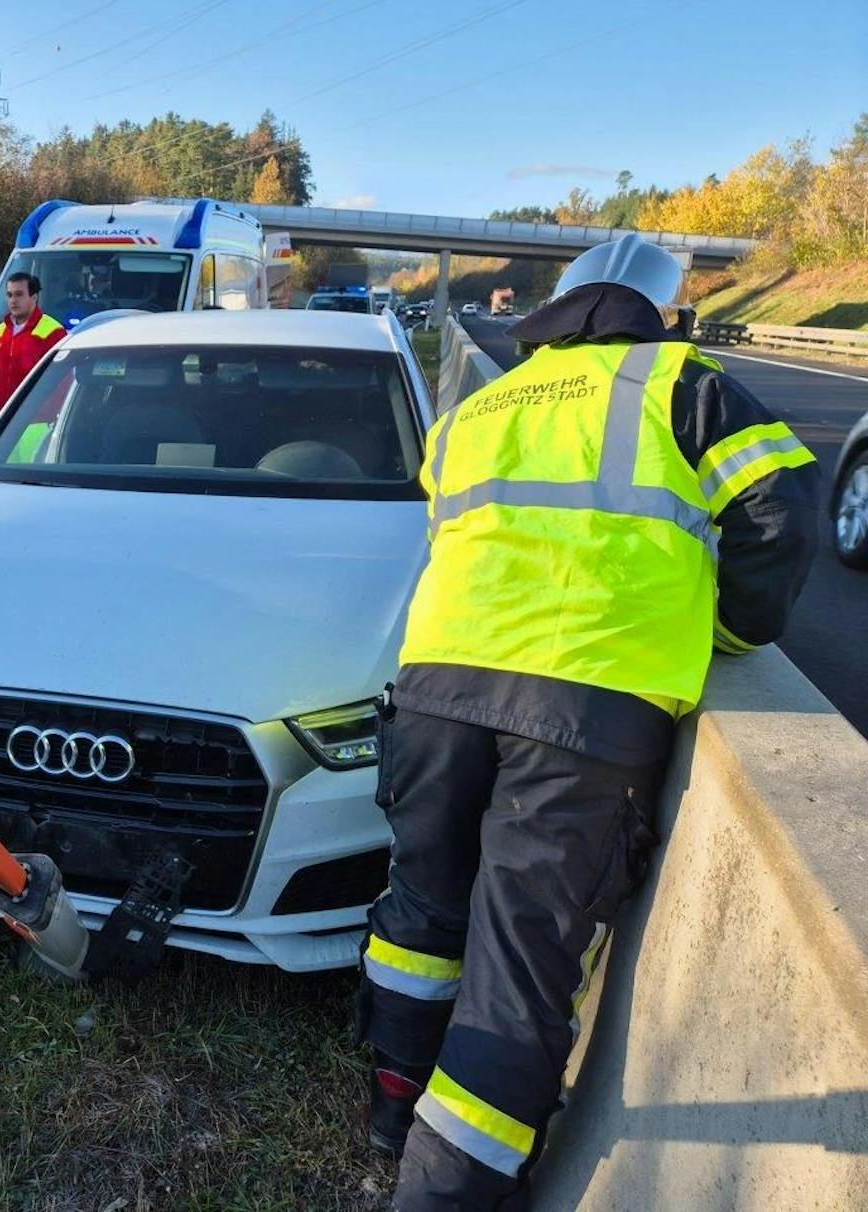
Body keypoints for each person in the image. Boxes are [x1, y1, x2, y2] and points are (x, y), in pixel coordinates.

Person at [358, 234, 820, 1208]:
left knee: (419, 914)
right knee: (518, 977)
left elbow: (449, 522)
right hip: (583, 705)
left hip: (438, 685)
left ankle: (389, 1108)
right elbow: (777, 508)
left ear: (560, 306)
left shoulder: (481, 404)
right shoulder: (684, 386)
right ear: (659, 315)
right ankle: (441, 1195)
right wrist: (728, 629)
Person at [0, 271, 65, 434]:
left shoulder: (53, 332)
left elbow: (60, 381)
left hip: (38, 423)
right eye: (9, 295)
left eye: (19, 294)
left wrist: (55, 418)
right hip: (3, 418)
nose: (13, 300)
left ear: (34, 297)